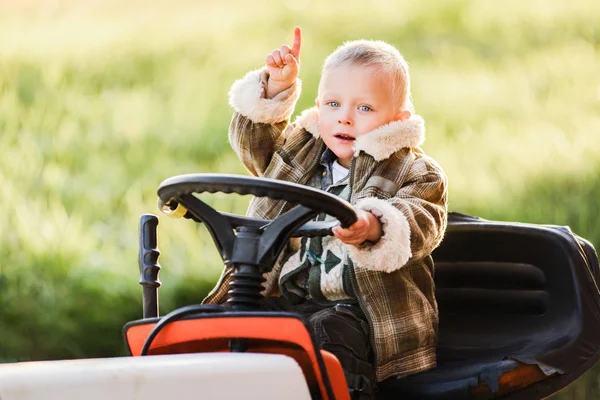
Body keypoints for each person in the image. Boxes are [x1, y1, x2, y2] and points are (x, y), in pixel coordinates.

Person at [204, 27, 448, 399]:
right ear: (319, 103)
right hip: (290, 295)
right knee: (223, 326)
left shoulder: (415, 172)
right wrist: (273, 90)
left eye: (364, 108)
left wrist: (373, 225)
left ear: (399, 117)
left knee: (326, 333)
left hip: (364, 311)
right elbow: (257, 149)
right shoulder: (300, 152)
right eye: (333, 104)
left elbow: (420, 221)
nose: (345, 118)